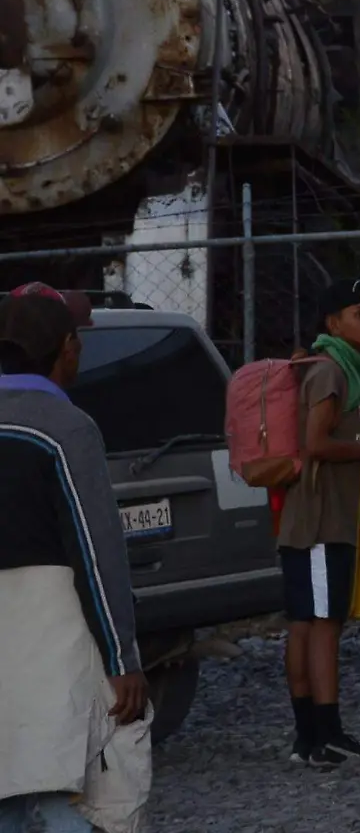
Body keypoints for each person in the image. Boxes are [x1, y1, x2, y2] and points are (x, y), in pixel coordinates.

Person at [0, 288, 147, 833]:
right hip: (54, 633)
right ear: (66, 347)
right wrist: (122, 656)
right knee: (68, 790)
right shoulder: (65, 429)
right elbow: (96, 548)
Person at [281, 277, 360, 767]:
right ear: (333, 324)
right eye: (359, 313)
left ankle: (308, 738)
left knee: (304, 625)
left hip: (307, 520)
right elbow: (316, 444)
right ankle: (326, 735)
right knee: (322, 625)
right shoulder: (332, 372)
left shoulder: (331, 367)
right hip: (319, 521)